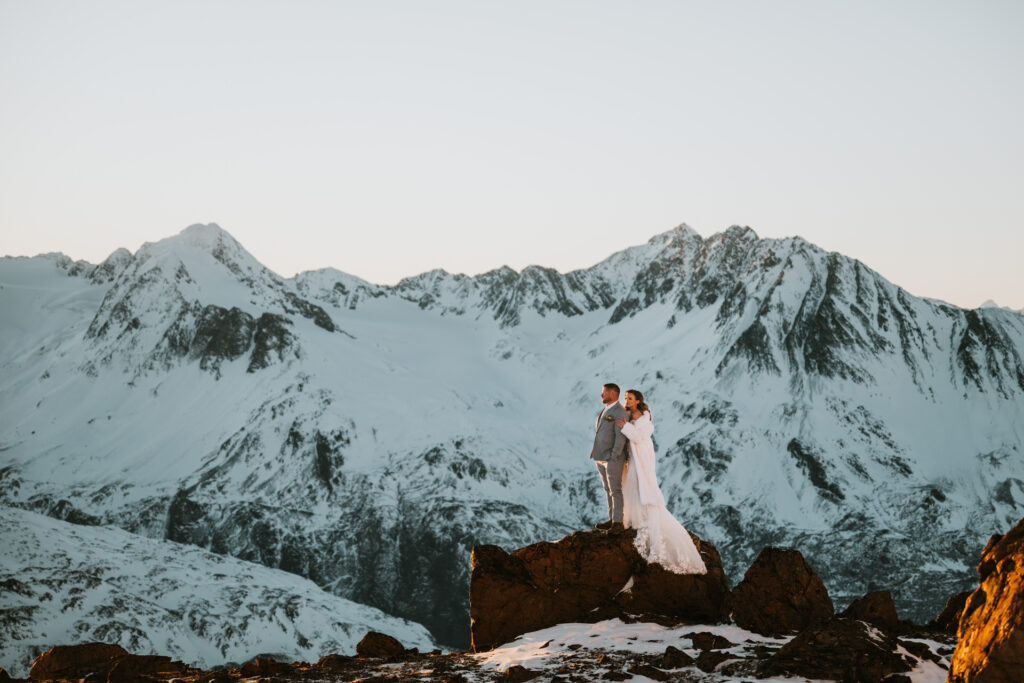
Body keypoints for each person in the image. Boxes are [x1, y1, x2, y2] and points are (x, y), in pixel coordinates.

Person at [616, 389, 707, 574]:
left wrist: (624, 427)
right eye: (626, 398)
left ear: (638, 401)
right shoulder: (629, 415)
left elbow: (639, 437)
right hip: (634, 457)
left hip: (642, 458)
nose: (627, 400)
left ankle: (643, 520)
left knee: (640, 485)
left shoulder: (644, 419)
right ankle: (633, 519)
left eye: (630, 398)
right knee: (631, 485)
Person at [590, 383, 630, 532]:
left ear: (613, 394)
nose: (601, 395)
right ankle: (612, 518)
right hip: (600, 456)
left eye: (604, 392)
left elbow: (620, 438)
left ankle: (618, 523)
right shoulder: (605, 409)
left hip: (612, 458)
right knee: (608, 489)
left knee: (615, 490)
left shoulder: (619, 412)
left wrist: (614, 456)